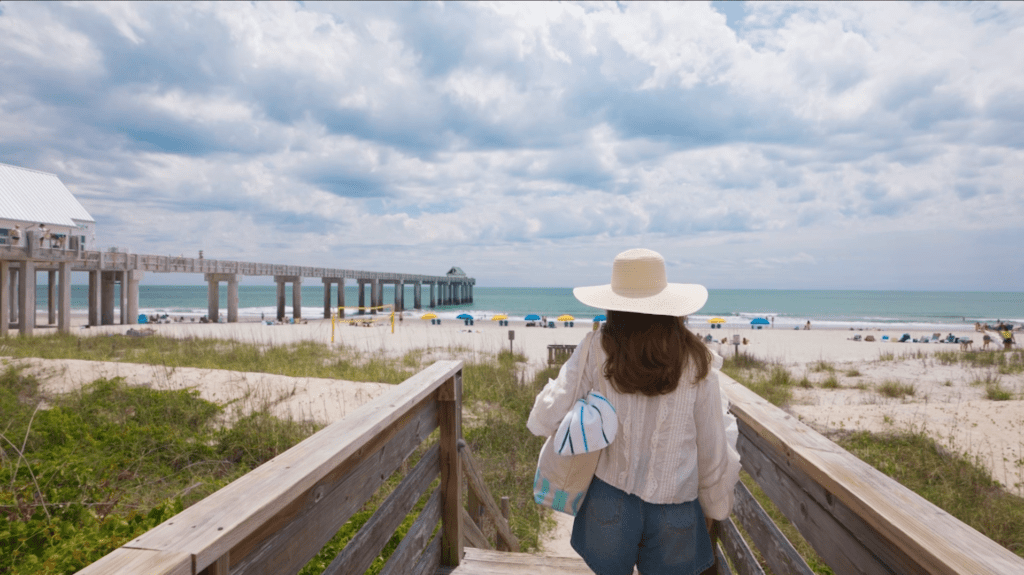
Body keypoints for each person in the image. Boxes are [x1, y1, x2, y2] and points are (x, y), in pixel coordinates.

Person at [528, 248, 740, 575]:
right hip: (677, 508)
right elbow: (712, 447)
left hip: (609, 500)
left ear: (614, 303)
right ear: (670, 306)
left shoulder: (597, 347)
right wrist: (714, 504)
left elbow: (548, 413)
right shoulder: (697, 359)